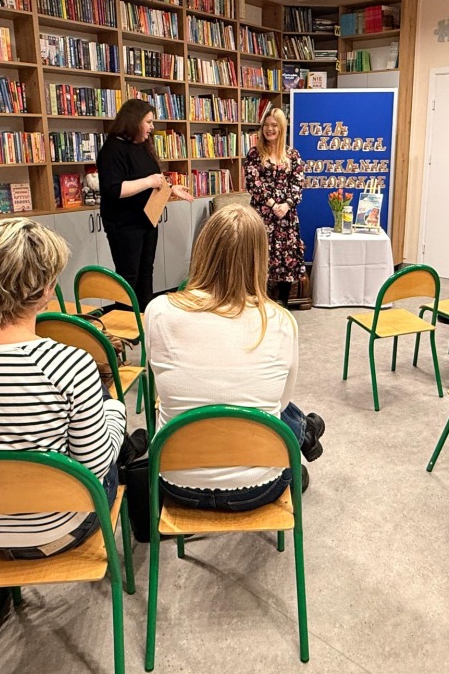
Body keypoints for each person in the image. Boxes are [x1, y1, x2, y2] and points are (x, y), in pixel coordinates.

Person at [0, 218, 126, 558]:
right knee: (108, 430)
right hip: (57, 529)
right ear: (47, 288)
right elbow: (94, 468)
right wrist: (115, 413)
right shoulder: (70, 363)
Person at [146, 204, 324, 511]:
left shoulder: (158, 311)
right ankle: (303, 434)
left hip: (176, 482)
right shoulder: (281, 321)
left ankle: (303, 432)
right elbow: (281, 403)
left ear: (202, 249)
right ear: (260, 259)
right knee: (276, 411)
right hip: (258, 486)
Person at [97, 98, 193, 311]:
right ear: (134, 121)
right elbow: (114, 189)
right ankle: (126, 320)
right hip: (124, 224)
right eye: (148, 122)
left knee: (146, 271)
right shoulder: (112, 150)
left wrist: (170, 188)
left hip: (148, 219)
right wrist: (149, 182)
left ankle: (145, 316)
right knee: (128, 275)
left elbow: (153, 179)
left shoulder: (142, 146)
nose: (152, 127)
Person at [244, 108, 305, 307]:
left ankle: (283, 305)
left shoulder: (292, 155)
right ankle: (262, 304)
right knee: (262, 258)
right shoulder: (254, 153)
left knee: (286, 260)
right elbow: (253, 183)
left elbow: (298, 183)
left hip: (286, 218)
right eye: (266, 125)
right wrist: (272, 204)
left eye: (274, 125)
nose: (269, 129)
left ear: (281, 128)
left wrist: (286, 205)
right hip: (263, 215)